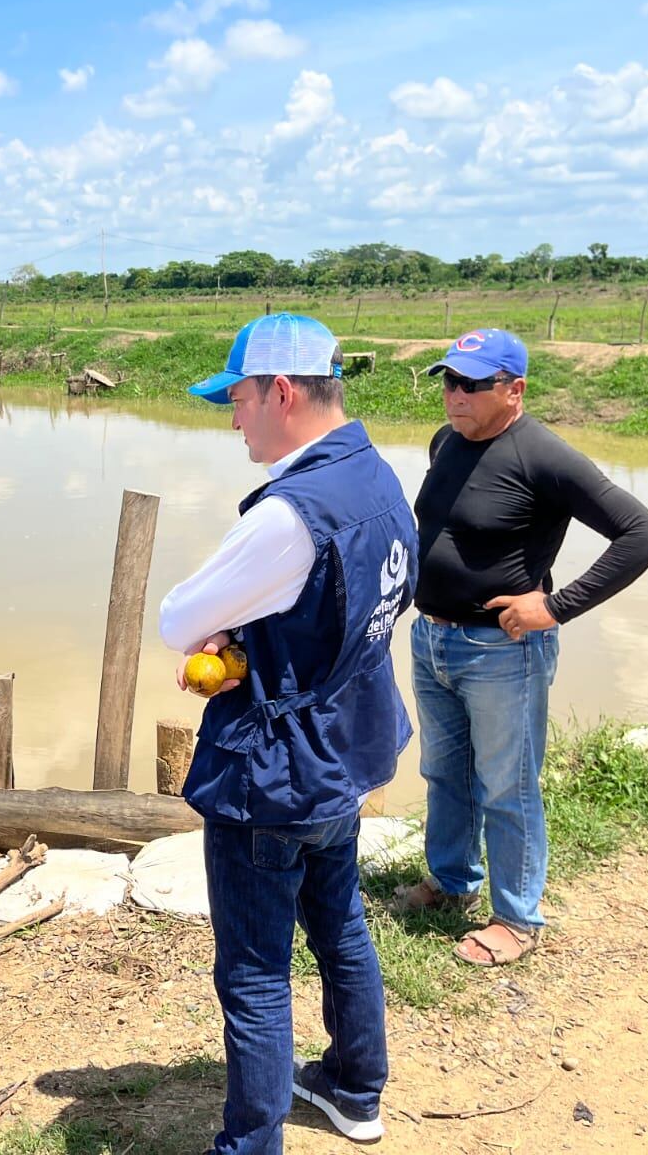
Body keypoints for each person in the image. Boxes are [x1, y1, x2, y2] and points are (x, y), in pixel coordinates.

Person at [158, 314, 418, 1153]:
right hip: (346, 753)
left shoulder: (289, 515)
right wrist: (261, 642)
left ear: (281, 392)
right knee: (339, 923)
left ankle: (251, 1144)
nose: (232, 418)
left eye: (236, 399)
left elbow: (176, 620)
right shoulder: (376, 475)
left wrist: (226, 640)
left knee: (255, 972)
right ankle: (354, 1087)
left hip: (277, 779)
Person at [394, 329, 648, 966]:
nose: (454, 395)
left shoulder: (543, 455)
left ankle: (516, 919)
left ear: (514, 390)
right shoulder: (446, 442)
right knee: (444, 773)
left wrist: (554, 606)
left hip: (502, 652)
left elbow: (644, 534)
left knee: (507, 785)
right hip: (433, 638)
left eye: (471, 384)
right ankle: (451, 881)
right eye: (448, 381)